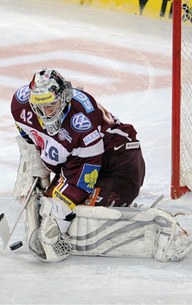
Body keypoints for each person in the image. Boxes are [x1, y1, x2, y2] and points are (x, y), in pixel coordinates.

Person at [10, 69, 191, 263]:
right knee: (47, 208)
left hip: (119, 165)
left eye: (50, 105)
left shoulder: (82, 125)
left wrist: (59, 214)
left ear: (63, 99)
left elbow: (83, 179)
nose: (44, 113)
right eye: (39, 106)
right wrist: (33, 168)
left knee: (75, 218)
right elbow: (29, 135)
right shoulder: (22, 104)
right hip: (81, 162)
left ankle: (162, 229)